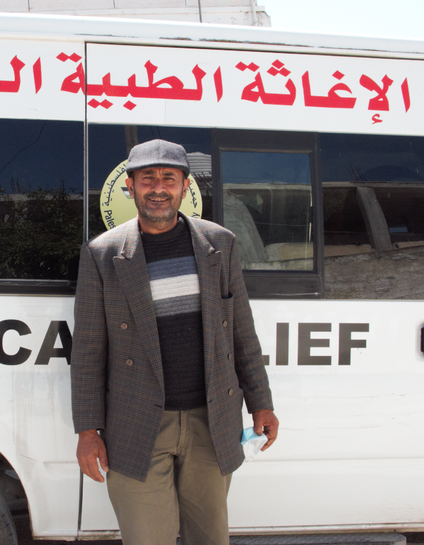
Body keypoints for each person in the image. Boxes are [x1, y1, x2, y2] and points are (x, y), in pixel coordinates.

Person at [71, 139, 279, 545]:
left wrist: (261, 401)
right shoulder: (102, 254)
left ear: (186, 186)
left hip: (212, 421)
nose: (158, 188)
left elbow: (241, 332)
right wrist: (87, 430)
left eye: (169, 178)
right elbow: (89, 351)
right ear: (130, 187)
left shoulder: (220, 244)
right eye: (147, 179)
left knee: (210, 538)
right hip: (136, 425)